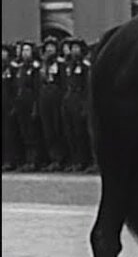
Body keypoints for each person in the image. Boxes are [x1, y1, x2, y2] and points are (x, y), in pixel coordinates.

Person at [59, 38, 92, 171]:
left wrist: (85, 104)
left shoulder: (85, 66)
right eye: (72, 48)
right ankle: (75, 160)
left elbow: (87, 86)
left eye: (76, 48)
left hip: (80, 98)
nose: (74, 51)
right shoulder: (68, 65)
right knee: (70, 131)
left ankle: (86, 161)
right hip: (69, 98)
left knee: (81, 132)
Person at [37, 38, 66, 170]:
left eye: (52, 47)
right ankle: (52, 158)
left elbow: (64, 82)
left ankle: (61, 158)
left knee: (57, 127)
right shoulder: (42, 65)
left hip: (56, 95)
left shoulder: (60, 64)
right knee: (47, 129)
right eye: (47, 47)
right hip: (44, 96)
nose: (49, 50)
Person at [13, 42, 42, 170]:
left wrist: (36, 106)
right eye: (23, 50)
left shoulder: (35, 67)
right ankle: (26, 160)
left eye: (27, 50)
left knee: (32, 132)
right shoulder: (20, 68)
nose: (25, 53)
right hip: (20, 102)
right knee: (23, 131)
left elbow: (37, 88)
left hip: (30, 101)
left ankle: (34, 160)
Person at [1, 44, 18, 171]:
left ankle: (9, 160)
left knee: (8, 134)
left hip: (8, 105)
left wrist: (14, 105)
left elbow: (15, 87)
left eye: (4, 52)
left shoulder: (12, 68)